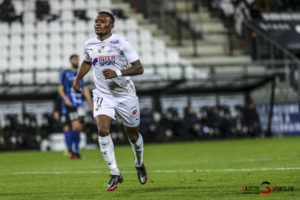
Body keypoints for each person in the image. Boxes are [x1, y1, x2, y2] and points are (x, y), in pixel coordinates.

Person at [72, 11, 147, 191]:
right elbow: (87, 62)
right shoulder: (89, 44)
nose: (98, 24)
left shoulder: (121, 42)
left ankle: (139, 163)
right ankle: (115, 172)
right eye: (96, 21)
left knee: (133, 135)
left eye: (102, 21)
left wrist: (118, 73)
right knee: (102, 129)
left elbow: (139, 68)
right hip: (103, 95)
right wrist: (78, 79)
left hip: (125, 95)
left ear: (111, 26)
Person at [58, 54, 93, 159]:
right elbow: (60, 88)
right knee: (74, 126)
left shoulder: (79, 74)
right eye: (75, 59)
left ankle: (75, 151)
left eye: (78, 60)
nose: (77, 61)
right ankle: (71, 150)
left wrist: (90, 102)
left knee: (79, 128)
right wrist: (66, 99)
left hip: (79, 105)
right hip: (70, 105)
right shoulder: (65, 73)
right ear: (70, 60)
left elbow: (84, 88)